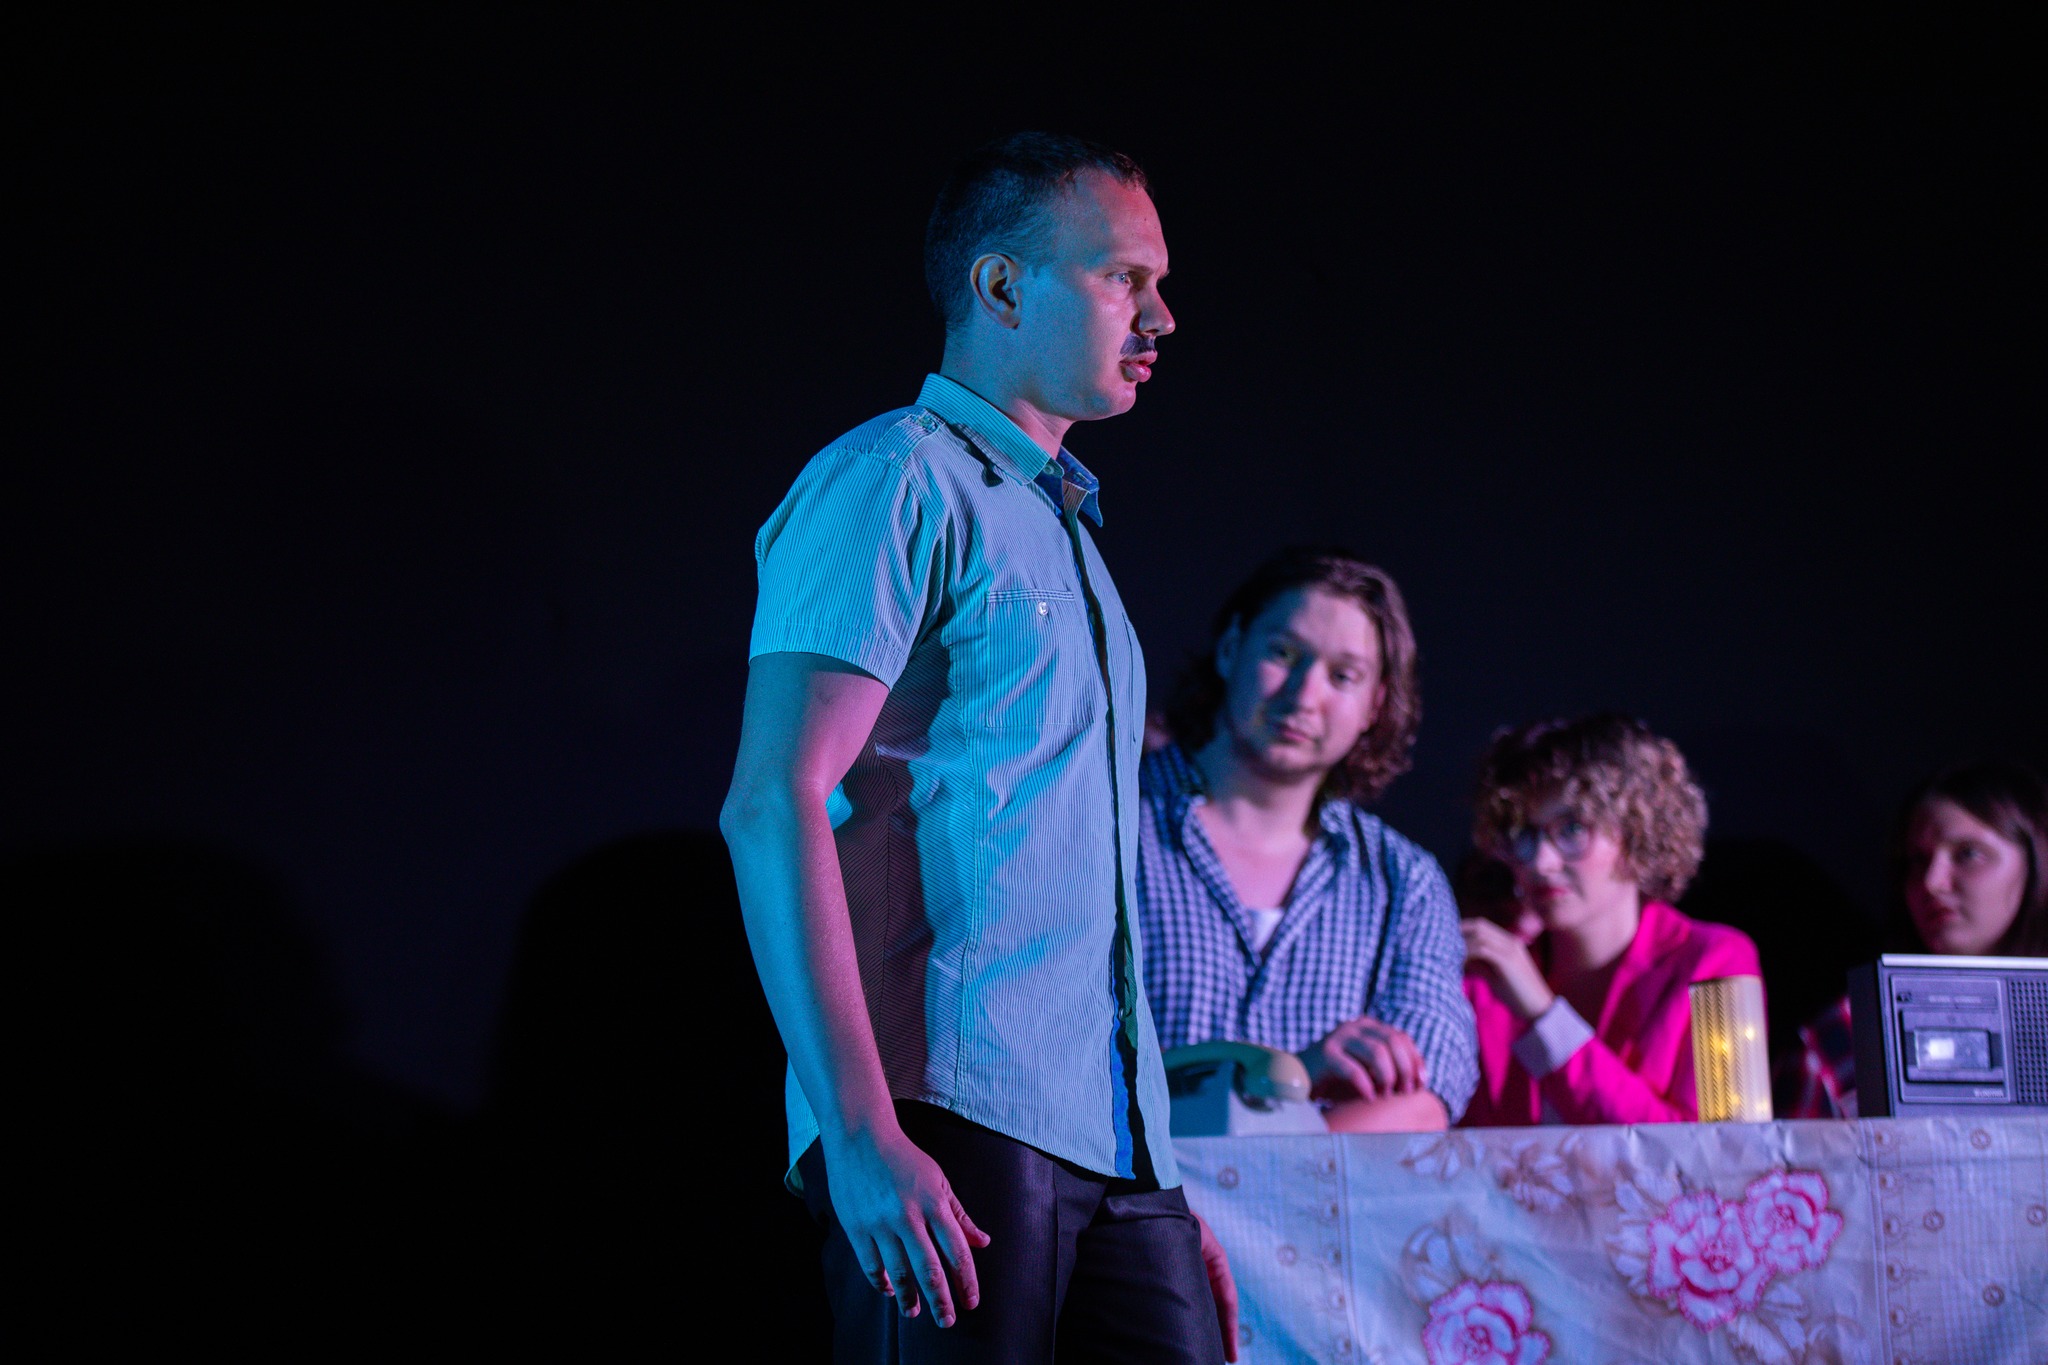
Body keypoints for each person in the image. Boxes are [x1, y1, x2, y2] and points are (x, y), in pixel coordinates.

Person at [720, 133, 1234, 1364]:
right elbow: (772, 800)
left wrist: (1154, 1178)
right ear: (1001, 287)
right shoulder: (891, 480)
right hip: (949, 1117)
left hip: (1109, 1141)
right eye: (1122, 278)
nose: (1160, 317)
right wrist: (858, 1133)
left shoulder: (1063, 527)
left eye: (1158, 283)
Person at [1138, 548, 1478, 1133]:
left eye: (1343, 676)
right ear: (1230, 649)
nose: (1303, 695)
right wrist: (1294, 1079)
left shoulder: (1404, 882)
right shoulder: (1108, 826)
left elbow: (1428, 1098)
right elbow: (1054, 1059)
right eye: (1283, 654)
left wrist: (1259, 1166)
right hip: (1122, 1195)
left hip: (1312, 1200)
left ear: (1375, 704)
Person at [1459, 714, 1762, 1125]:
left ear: (1637, 833)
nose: (1540, 862)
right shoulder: (1486, 980)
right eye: (1523, 835)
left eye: (1572, 830)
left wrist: (1545, 1019)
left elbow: (1726, 1153)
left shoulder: (1717, 962)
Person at [1780, 760, 2048, 1118]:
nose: (1932, 882)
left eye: (1968, 854)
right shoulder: (1849, 1032)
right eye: (1918, 861)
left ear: (2037, 862)